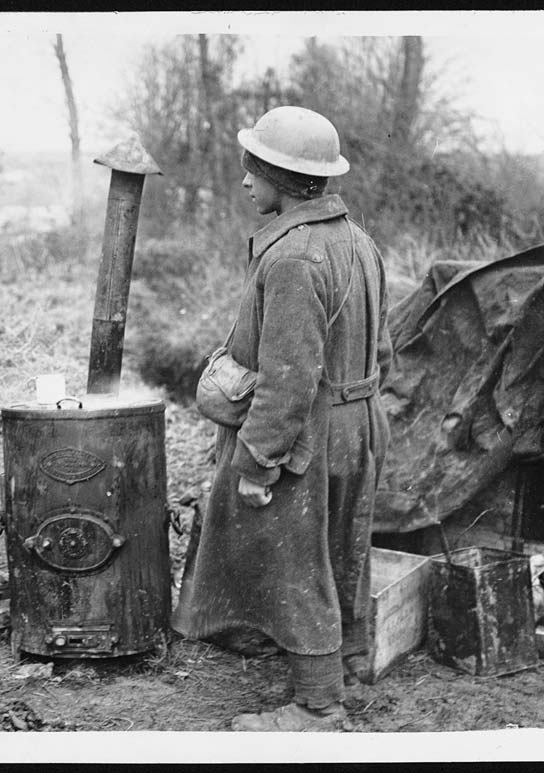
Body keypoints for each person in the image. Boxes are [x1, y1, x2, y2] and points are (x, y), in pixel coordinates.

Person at [172, 106, 393, 732]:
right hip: (360, 421)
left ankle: (318, 706)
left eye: (253, 167)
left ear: (283, 178)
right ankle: (345, 659)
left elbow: (290, 381)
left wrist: (258, 462)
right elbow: (384, 352)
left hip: (310, 433)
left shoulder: (294, 258)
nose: (244, 180)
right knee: (339, 548)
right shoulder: (359, 240)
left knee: (296, 561)